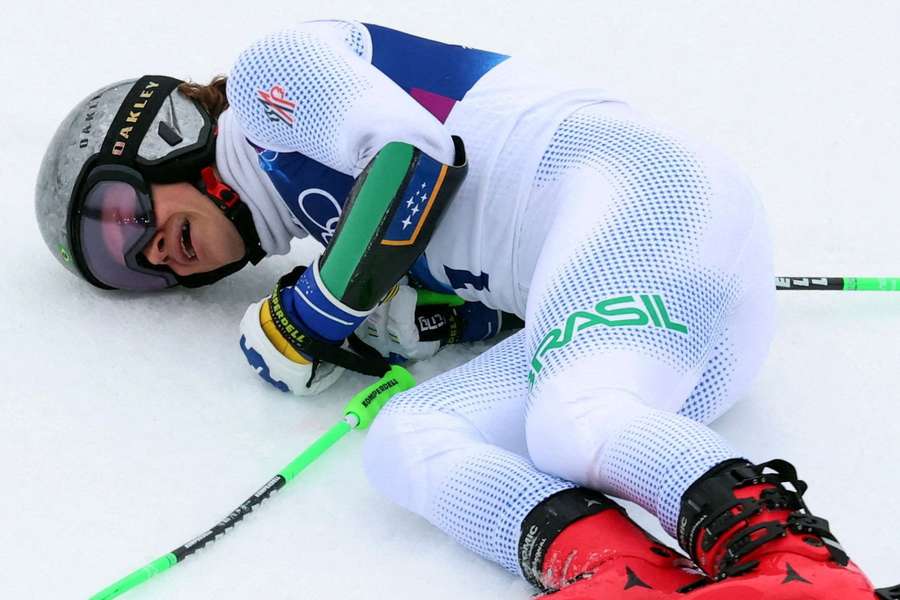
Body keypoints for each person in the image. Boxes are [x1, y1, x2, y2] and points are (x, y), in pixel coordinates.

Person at [35, 20, 888, 599]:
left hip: (647, 199)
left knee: (571, 420)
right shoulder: (324, 225)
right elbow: (485, 298)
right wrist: (414, 317)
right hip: (643, 340)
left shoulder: (270, 83)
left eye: (123, 213)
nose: (149, 250)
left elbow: (416, 159)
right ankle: (626, 579)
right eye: (125, 265)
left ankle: (800, 570)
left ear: (162, 135)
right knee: (410, 442)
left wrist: (317, 314)